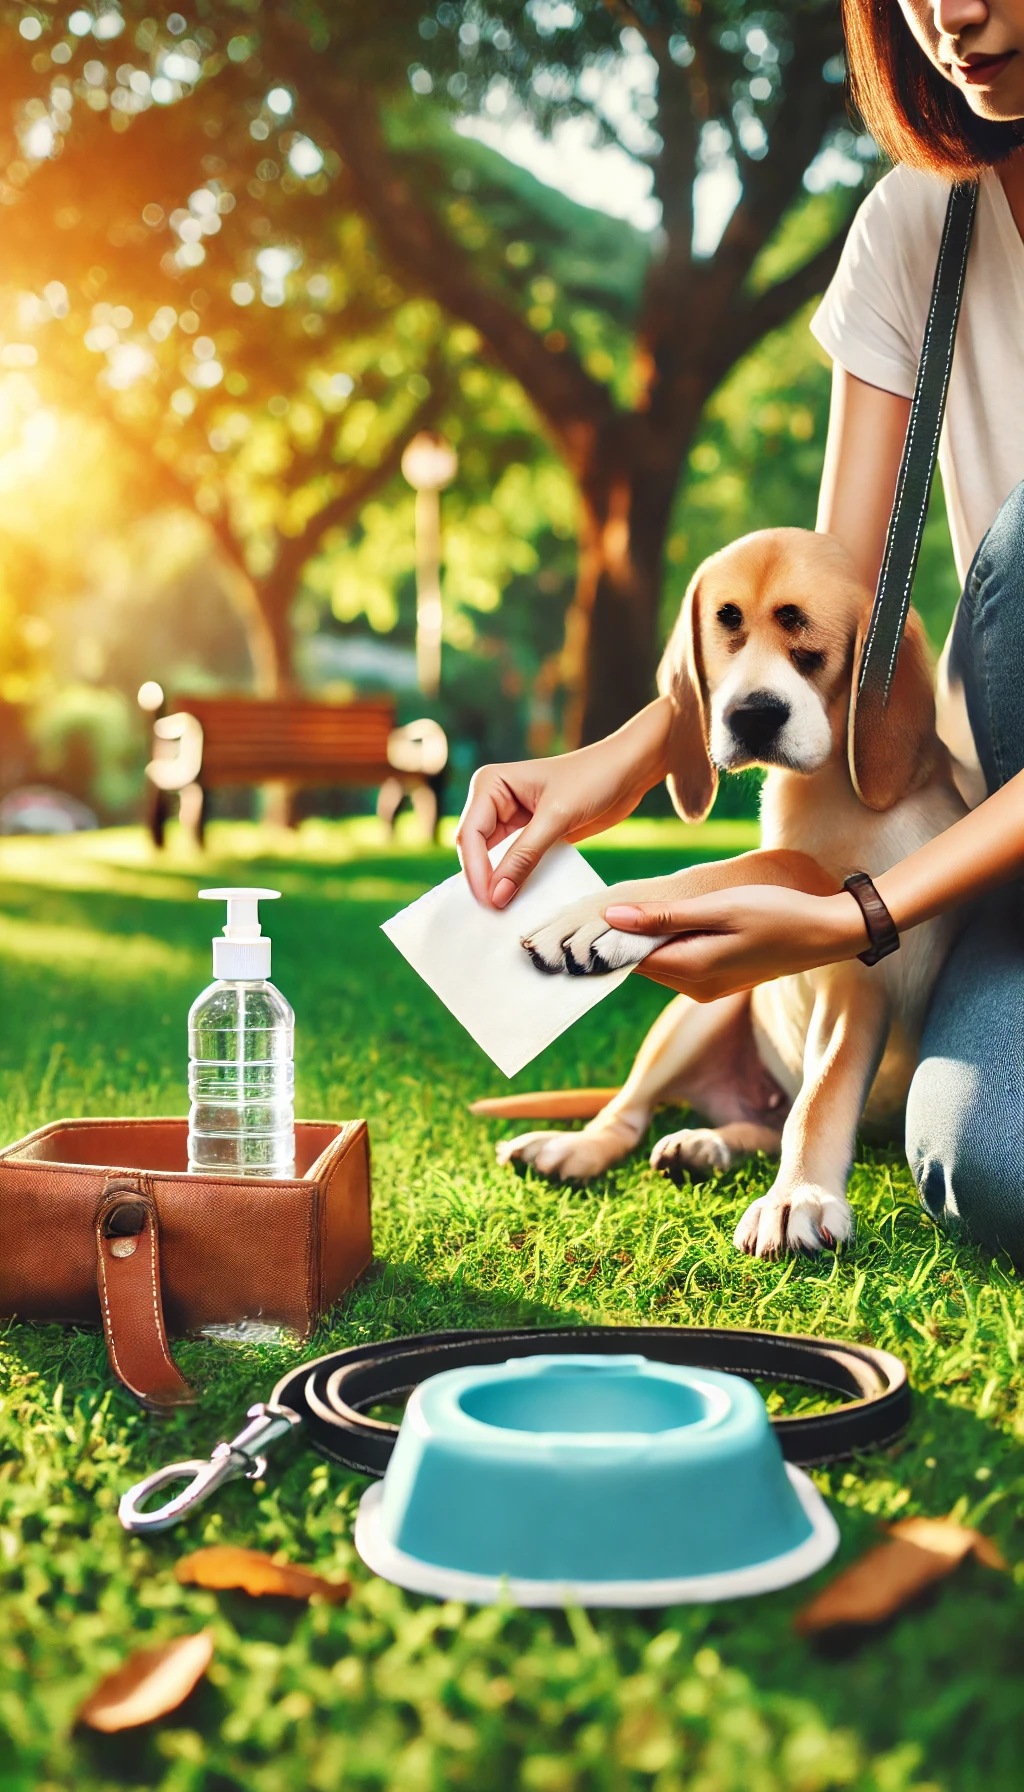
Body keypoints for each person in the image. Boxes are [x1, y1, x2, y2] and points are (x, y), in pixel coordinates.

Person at [456, 0, 1024, 1259]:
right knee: (991, 1166)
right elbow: (831, 599)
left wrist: (854, 916)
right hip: (1004, 849)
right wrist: (629, 758)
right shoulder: (915, 225)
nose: (953, 15)